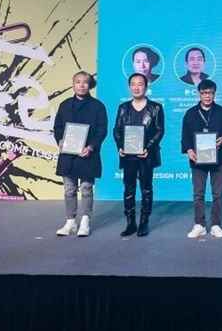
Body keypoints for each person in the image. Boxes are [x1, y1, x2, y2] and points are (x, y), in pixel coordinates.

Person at [54, 71, 107, 237]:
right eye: (78, 82)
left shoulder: (98, 106)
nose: (81, 85)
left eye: (85, 82)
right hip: (68, 155)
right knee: (69, 190)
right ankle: (70, 222)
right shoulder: (64, 105)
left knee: (86, 189)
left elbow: (102, 130)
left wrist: (91, 147)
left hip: (87, 154)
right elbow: (58, 127)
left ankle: (85, 221)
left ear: (89, 85)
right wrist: (60, 141)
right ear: (73, 84)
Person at [181, 79, 222, 238]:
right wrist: (189, 150)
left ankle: (216, 224)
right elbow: (185, 135)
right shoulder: (190, 113)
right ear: (199, 94)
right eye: (204, 93)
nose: (207, 96)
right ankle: (199, 224)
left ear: (214, 94)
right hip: (197, 159)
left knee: (218, 194)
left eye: (210, 93)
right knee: (198, 194)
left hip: (219, 159)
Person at [112, 73, 165, 237]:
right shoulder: (123, 108)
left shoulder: (156, 108)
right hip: (128, 155)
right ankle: (130, 223)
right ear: (129, 87)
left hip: (146, 155)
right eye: (133, 84)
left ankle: (144, 222)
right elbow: (117, 130)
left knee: (146, 188)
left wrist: (148, 147)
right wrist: (120, 147)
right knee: (128, 188)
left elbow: (159, 130)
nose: (136, 87)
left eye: (140, 84)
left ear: (146, 87)